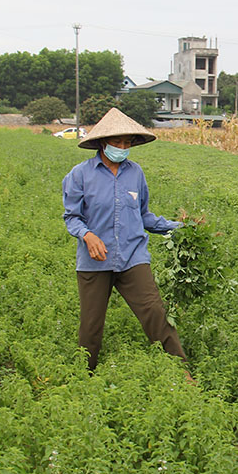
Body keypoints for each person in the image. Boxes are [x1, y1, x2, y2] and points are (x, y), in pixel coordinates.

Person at [62, 108, 186, 372]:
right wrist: (87, 234)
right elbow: (72, 217)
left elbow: (144, 216)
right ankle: (84, 376)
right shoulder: (80, 175)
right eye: (116, 142)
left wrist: (181, 228)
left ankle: (181, 372)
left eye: (126, 143)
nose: (122, 147)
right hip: (95, 261)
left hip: (133, 257)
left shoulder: (135, 173)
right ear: (101, 143)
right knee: (91, 326)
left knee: (156, 315)